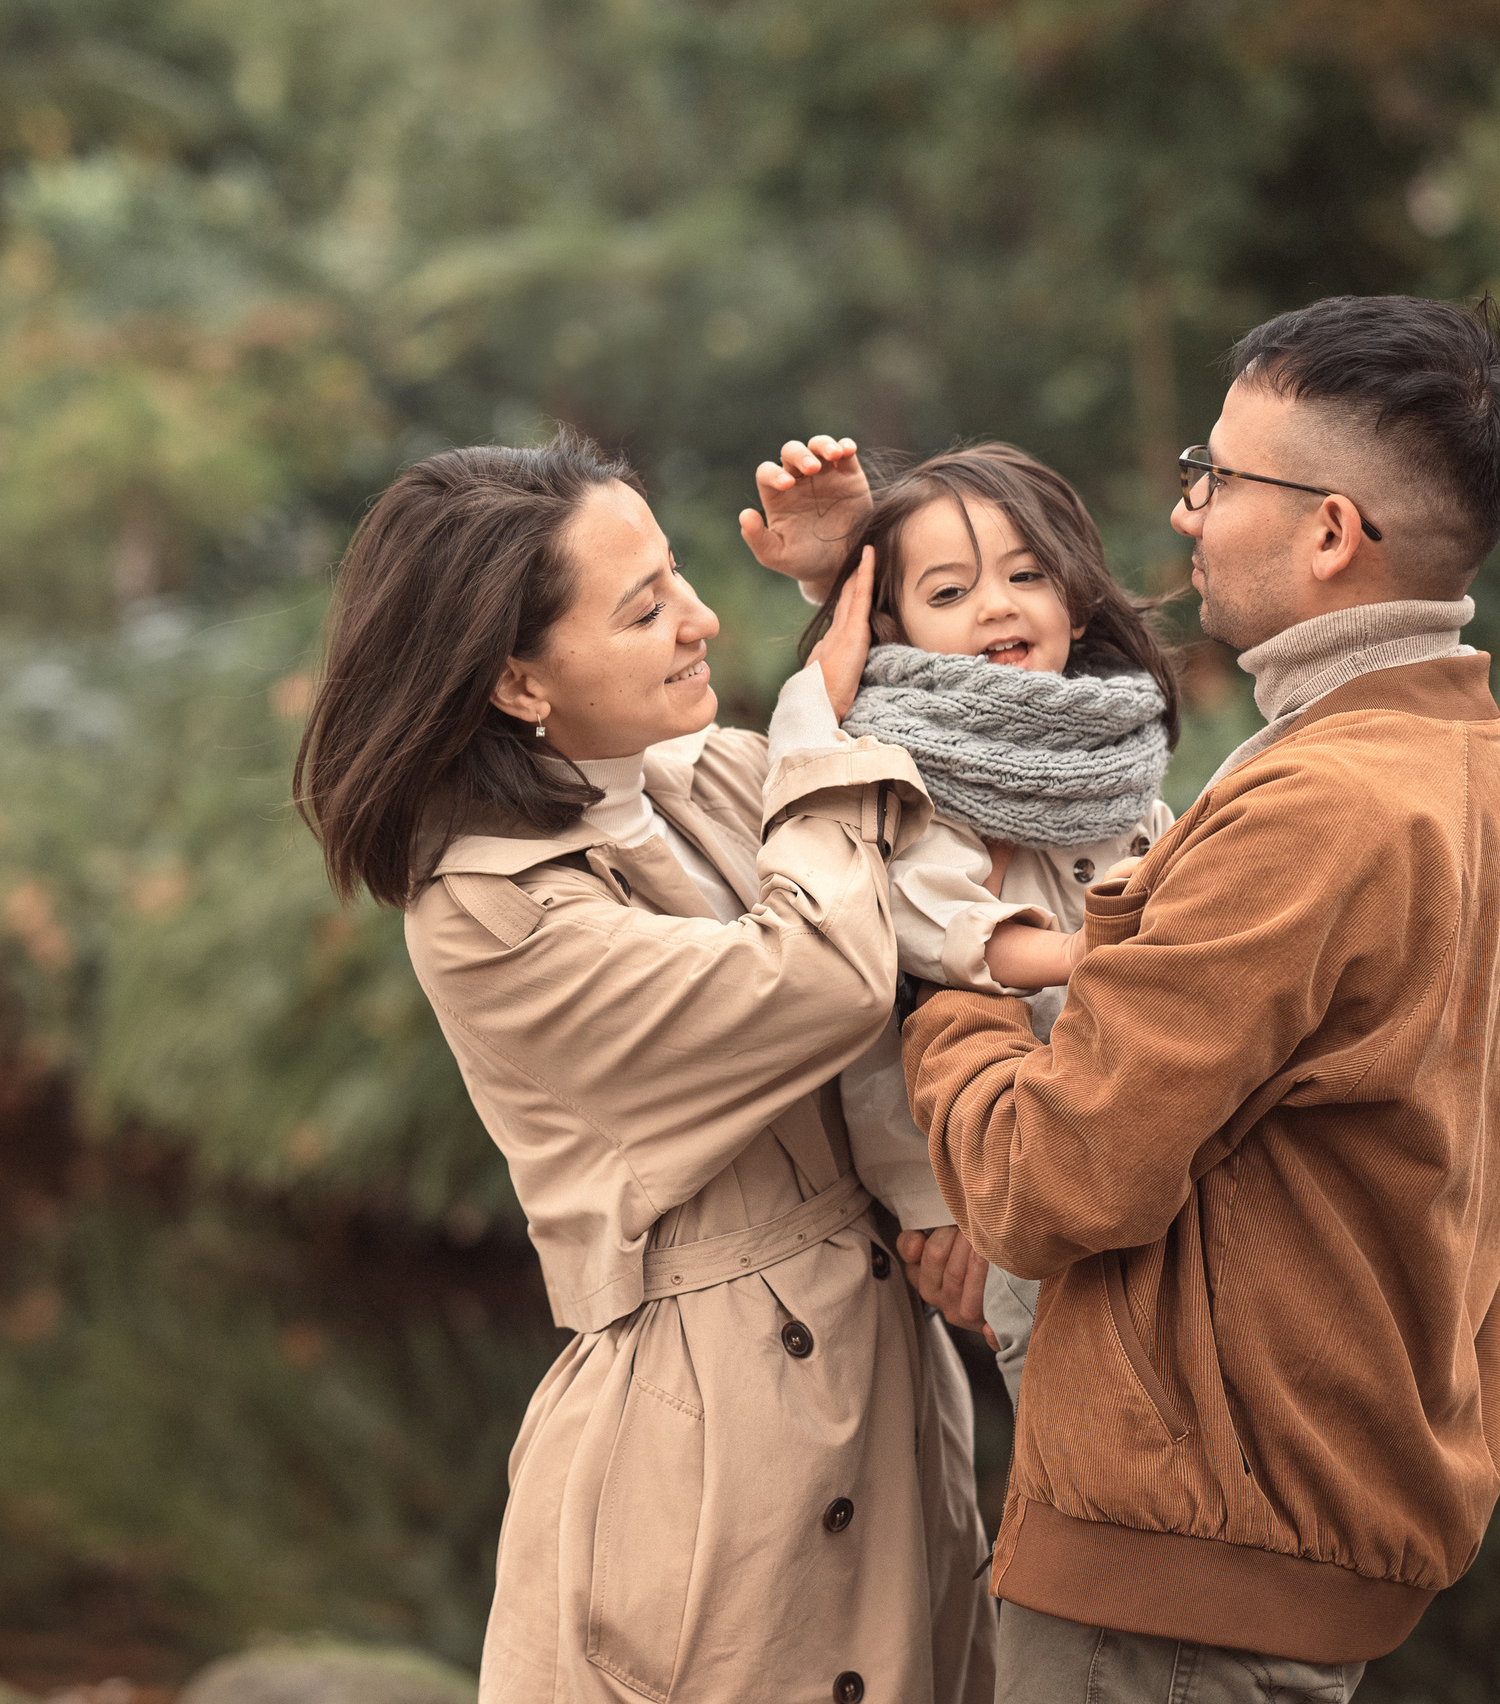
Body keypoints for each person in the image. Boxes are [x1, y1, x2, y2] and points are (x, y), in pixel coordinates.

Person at [898, 294, 1500, 1703]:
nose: (1188, 512)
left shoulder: (1315, 809)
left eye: (1217, 477)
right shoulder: (1464, 766)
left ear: (1328, 531)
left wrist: (941, 976)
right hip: (1287, 1545)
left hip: (1174, 1582)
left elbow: (1045, 1180)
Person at [296, 433, 994, 1704]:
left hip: (877, 1376)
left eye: (676, 578)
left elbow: (911, 764)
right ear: (518, 682)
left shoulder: (686, 775)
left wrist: (849, 570)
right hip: (712, 1443)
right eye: (647, 606)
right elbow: (823, 972)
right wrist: (812, 729)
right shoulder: (489, 913)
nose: (703, 620)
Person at [763, 444, 1183, 1405]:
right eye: (949, 593)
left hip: (1100, 1126)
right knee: (1072, 1390)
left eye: (1026, 575)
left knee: (1146, 1364)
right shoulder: (908, 757)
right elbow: (933, 919)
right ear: (894, 629)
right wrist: (1089, 955)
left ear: (1077, 602)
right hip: (960, 1160)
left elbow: (1156, 863)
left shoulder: (1107, 749)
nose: (996, 605)